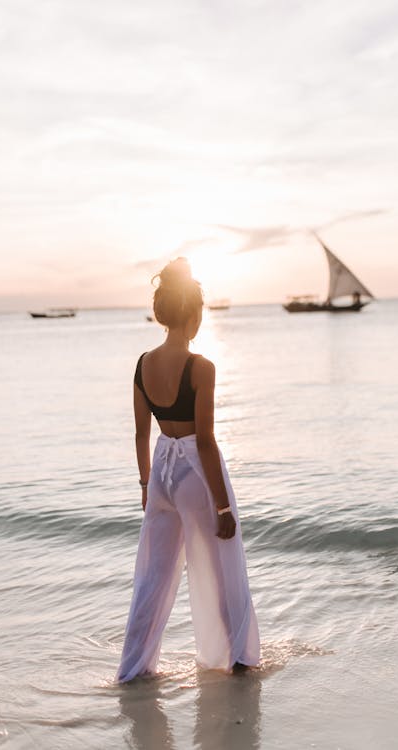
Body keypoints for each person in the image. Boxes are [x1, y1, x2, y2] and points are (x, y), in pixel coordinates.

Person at [116, 257, 260, 683]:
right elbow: (206, 440)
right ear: (194, 313)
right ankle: (237, 661)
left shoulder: (143, 364)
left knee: (152, 577)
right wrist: (222, 507)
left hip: (160, 468)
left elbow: (141, 434)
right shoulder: (202, 368)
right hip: (195, 470)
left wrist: (146, 483)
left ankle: (134, 669)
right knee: (221, 567)